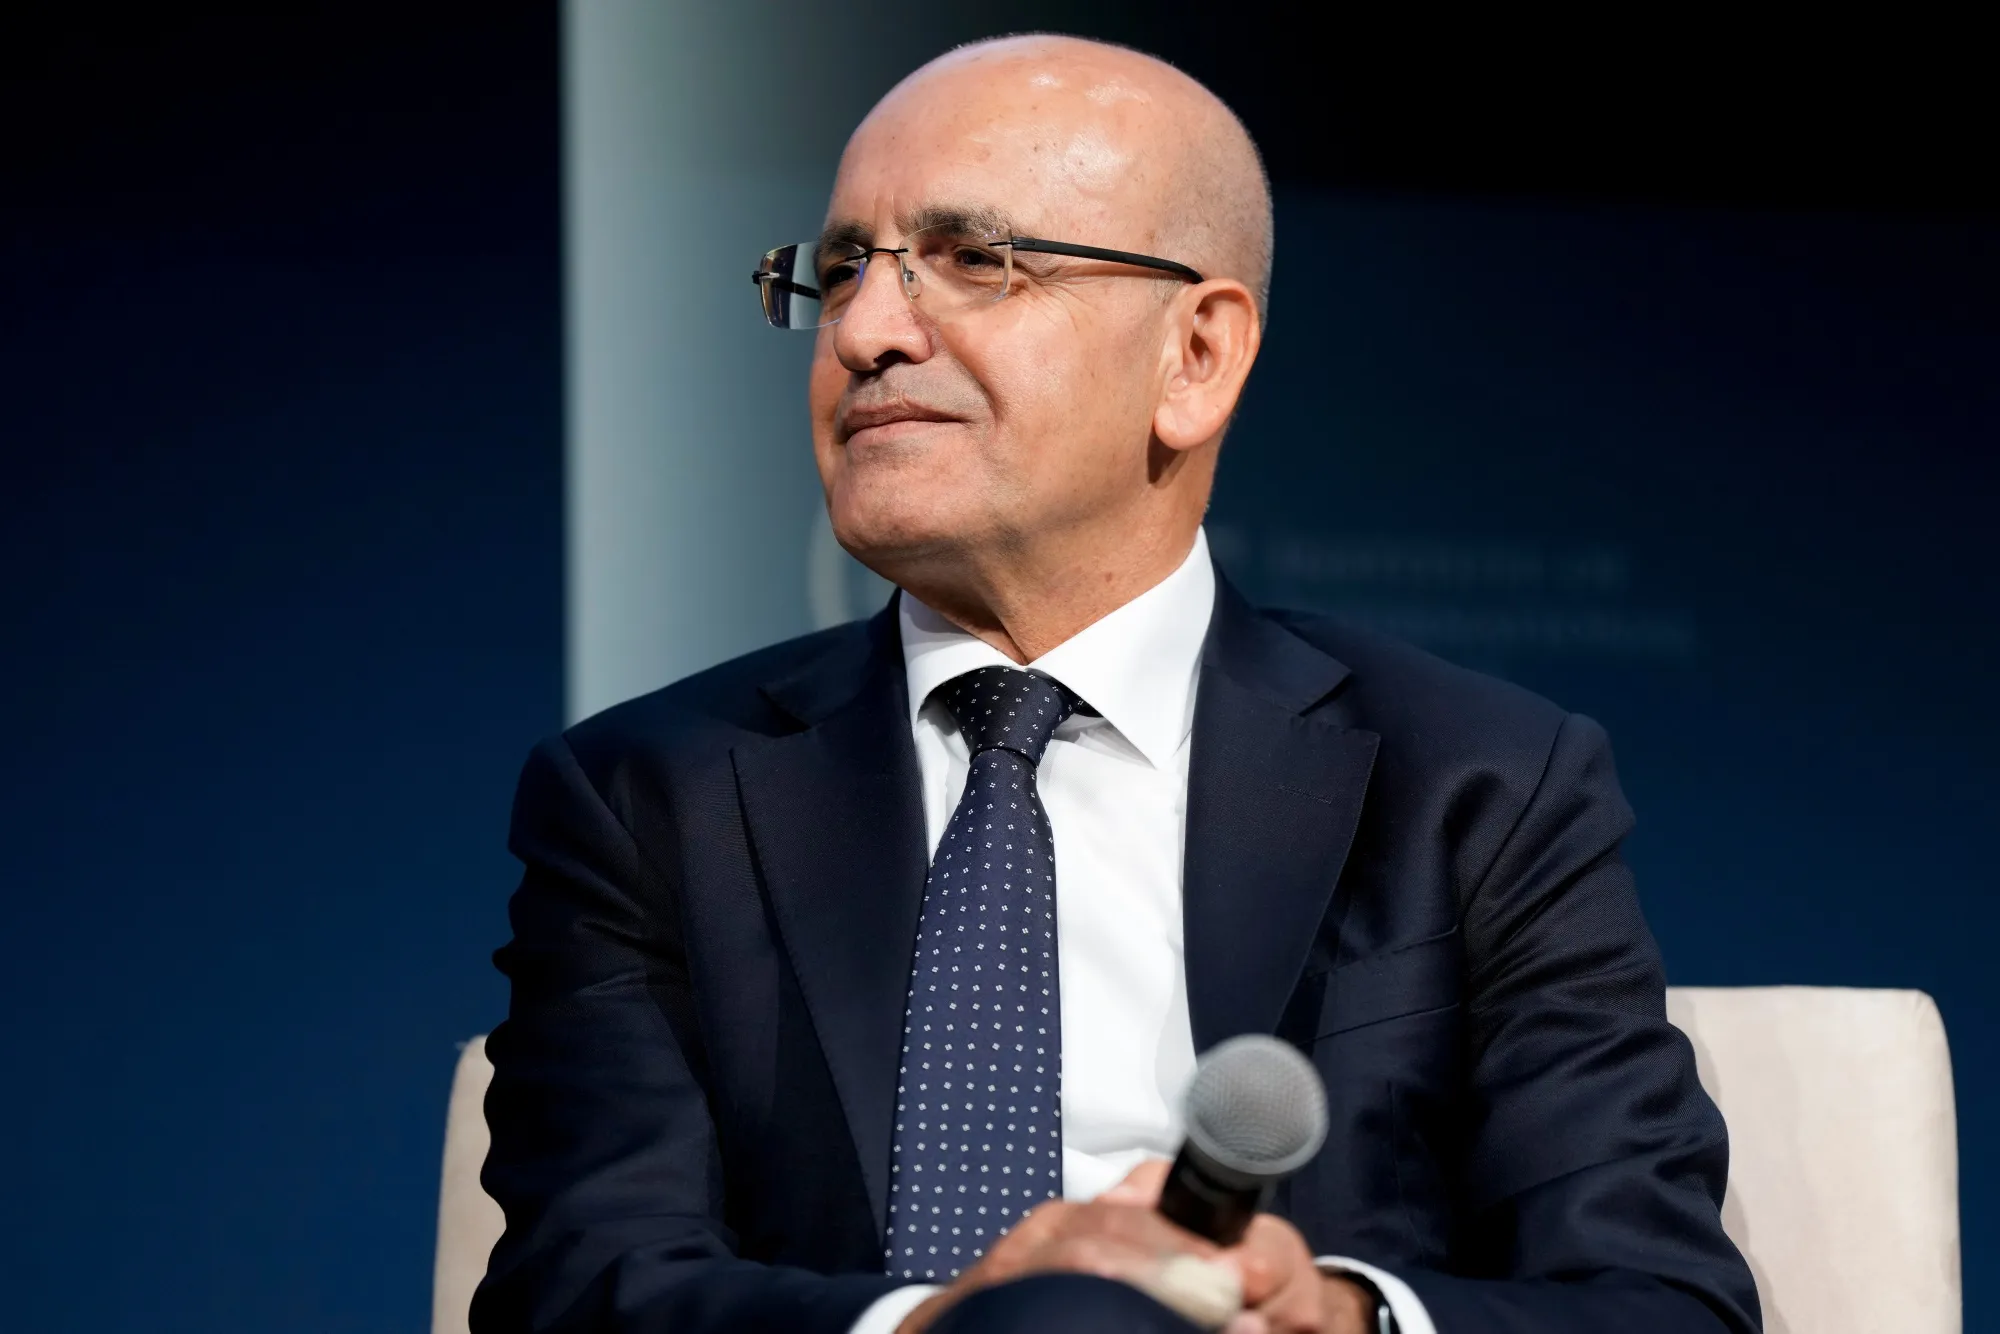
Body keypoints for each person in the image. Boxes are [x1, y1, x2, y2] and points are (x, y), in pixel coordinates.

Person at [472, 33, 1760, 1334]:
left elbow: (1658, 1303)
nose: (863, 331)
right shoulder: (650, 797)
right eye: (846, 266)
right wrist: (937, 1326)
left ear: (1195, 355)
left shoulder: (1477, 784)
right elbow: (575, 1291)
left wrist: (1336, 1319)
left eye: (974, 259)